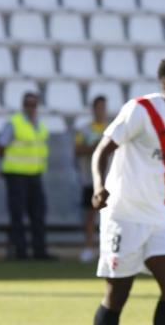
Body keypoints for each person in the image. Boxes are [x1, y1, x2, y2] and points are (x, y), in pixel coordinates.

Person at [91, 55, 165, 325]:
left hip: (160, 217)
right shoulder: (140, 109)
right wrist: (98, 186)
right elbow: (102, 150)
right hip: (124, 214)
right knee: (117, 294)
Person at [0, 92, 54, 261]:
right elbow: (0, 146)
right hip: (16, 175)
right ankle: (21, 252)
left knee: (38, 214)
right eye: (28, 104)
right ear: (23, 106)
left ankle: (39, 251)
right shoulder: (14, 123)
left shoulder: (40, 125)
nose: (31, 108)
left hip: (35, 174)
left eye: (34, 105)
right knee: (18, 214)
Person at [74, 95, 108, 263]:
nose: (101, 110)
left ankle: (107, 248)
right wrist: (94, 148)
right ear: (93, 109)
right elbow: (77, 150)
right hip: (91, 178)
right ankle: (89, 248)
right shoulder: (85, 130)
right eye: (98, 107)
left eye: (103, 107)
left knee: (110, 215)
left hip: (110, 179)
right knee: (90, 214)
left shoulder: (111, 128)